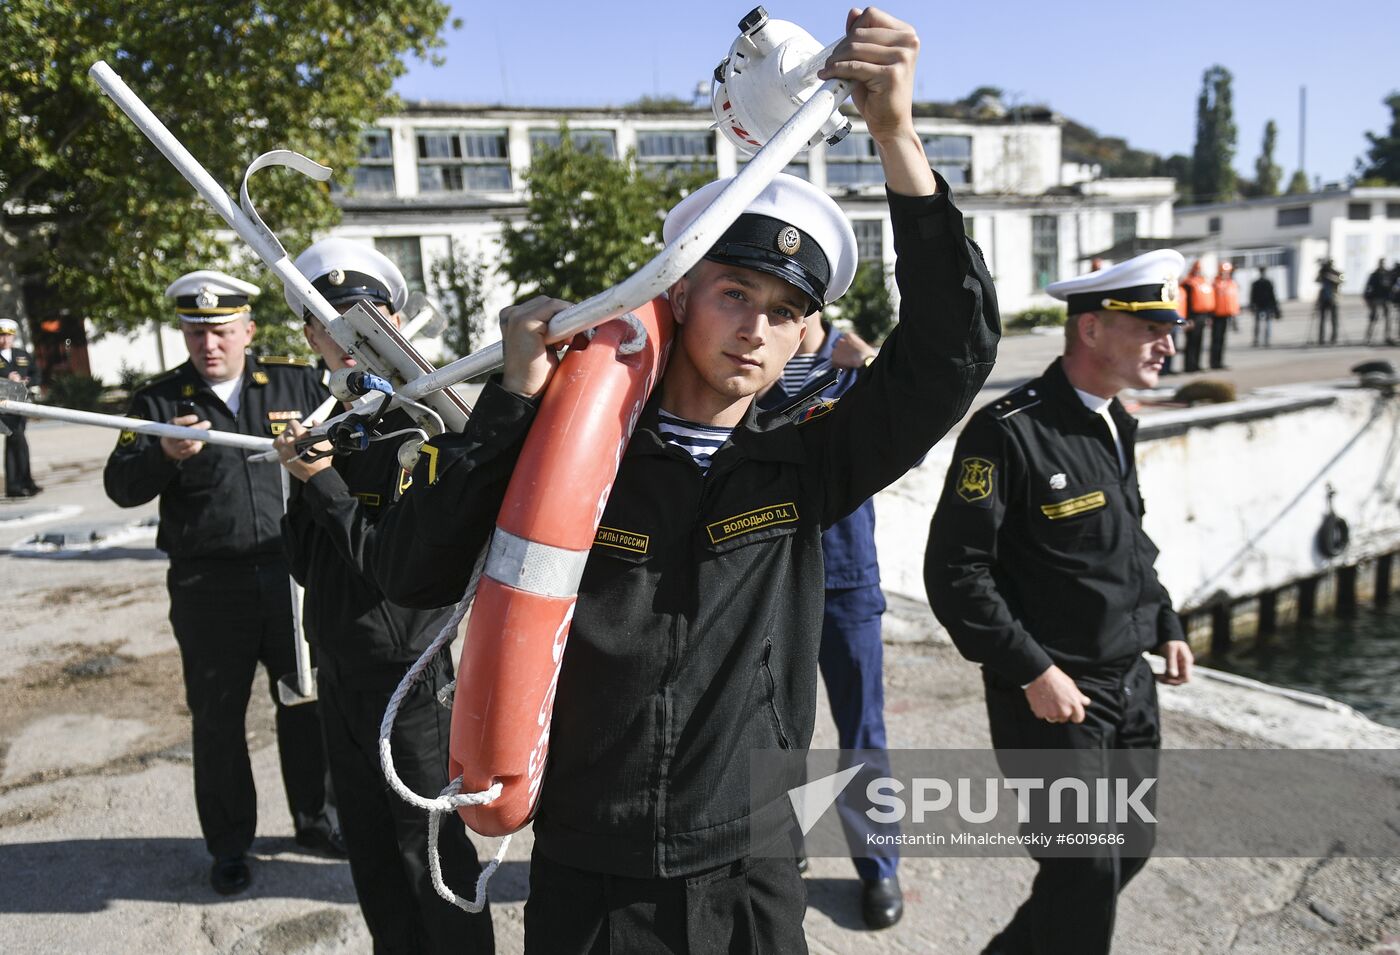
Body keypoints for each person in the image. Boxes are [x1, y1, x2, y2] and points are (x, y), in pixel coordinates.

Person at [370, 9, 999, 951]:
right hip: (594, 868)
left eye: (786, 311)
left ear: (804, 338)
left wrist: (896, 138)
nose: (756, 328)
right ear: (677, 295)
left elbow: (951, 353)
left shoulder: (809, 460)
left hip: (750, 864)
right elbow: (410, 573)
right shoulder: (565, 454)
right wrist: (511, 402)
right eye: (735, 292)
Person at [925, 248, 1195, 955]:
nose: (1169, 342)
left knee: (1128, 849)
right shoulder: (1009, 431)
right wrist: (1031, 670)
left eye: (1171, 327)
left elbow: (1127, 544)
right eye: (1152, 326)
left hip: (1129, 684)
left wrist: (1163, 620)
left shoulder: (1114, 421)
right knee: (1083, 871)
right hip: (1054, 694)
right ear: (1094, 330)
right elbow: (956, 572)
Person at [273, 239, 495, 953]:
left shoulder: (423, 422)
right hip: (340, 666)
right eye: (320, 326)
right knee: (370, 854)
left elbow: (389, 566)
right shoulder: (333, 424)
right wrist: (305, 481)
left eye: (352, 320)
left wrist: (323, 484)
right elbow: (308, 564)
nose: (337, 340)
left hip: (410, 673)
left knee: (429, 854)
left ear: (391, 321)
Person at [103, 270, 342, 895]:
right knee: (216, 720)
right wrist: (165, 454)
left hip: (292, 577)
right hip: (209, 586)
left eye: (221, 331)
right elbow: (120, 486)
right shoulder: (158, 402)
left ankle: (316, 821)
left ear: (247, 331)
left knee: (305, 701)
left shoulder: (294, 381)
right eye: (196, 331)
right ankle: (230, 846)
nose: (209, 344)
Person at [756, 318, 903, 930]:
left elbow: (903, 433)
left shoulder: (852, 365)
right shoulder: (756, 363)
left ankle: (880, 867)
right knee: (773, 729)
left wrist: (870, 364)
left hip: (845, 578)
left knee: (862, 732)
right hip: (772, 576)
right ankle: (785, 851)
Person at [0, 317, 41, 496]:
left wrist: (28, 381)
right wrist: (7, 381)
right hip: (4, 406)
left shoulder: (21, 354)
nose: (4, 339)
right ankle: (23, 482)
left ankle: (16, 485)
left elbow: (35, 372)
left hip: (21, 404)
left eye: (8, 336)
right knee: (18, 440)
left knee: (14, 442)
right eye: (1, 335)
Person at [1179, 259, 1214, 372]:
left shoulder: (1203, 283)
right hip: (1193, 317)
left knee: (1199, 341)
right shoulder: (1188, 283)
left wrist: (1208, 317)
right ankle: (1189, 365)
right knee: (1191, 342)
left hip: (1202, 316)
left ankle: (1196, 365)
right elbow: (1187, 303)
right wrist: (1189, 319)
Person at [1209, 261, 1238, 369]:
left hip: (1226, 315)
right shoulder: (1215, 284)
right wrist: (1209, 316)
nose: (1226, 274)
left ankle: (1219, 362)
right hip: (1216, 315)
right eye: (1224, 272)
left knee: (1222, 339)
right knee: (1216, 339)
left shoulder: (1231, 283)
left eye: (1227, 272)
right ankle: (1214, 362)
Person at [1249, 267, 1280, 347]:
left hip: (1264, 305)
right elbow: (1252, 295)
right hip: (1263, 305)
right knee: (1263, 323)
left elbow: (1272, 295)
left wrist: (1274, 306)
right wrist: (1275, 306)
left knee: (1263, 324)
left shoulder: (1261, 282)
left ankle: (1262, 340)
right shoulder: (1264, 282)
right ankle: (1262, 340)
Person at [1365, 258, 1393, 345]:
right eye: (1381, 263)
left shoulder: (1388, 274)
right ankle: (1369, 338)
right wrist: (1367, 298)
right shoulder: (1374, 275)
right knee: (1374, 318)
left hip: (1385, 299)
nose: (1382, 265)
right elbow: (1368, 287)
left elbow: (1391, 286)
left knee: (1388, 318)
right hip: (1376, 299)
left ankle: (1387, 336)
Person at [1316, 258, 1343, 344]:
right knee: (1322, 320)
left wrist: (1331, 277)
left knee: (1334, 320)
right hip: (1323, 299)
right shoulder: (1323, 272)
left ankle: (1334, 338)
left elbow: (1342, 280)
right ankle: (1321, 339)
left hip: (1333, 298)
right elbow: (1317, 280)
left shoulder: (1336, 272)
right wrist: (1322, 274)